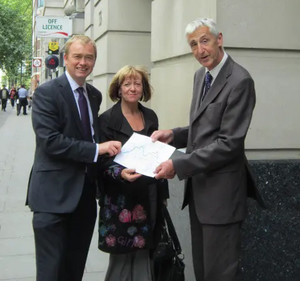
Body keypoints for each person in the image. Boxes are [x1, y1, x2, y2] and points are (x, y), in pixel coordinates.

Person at [152, 18, 265, 281]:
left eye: (205, 41)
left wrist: (178, 165)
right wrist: (174, 135)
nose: (200, 50)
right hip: (200, 192)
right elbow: (203, 128)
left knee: (220, 273)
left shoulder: (240, 80)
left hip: (222, 197)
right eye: (193, 44)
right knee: (203, 271)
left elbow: (229, 144)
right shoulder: (200, 76)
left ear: (219, 39)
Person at [26, 35, 122, 281]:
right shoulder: (47, 92)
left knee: (74, 269)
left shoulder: (94, 95)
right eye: (77, 56)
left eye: (89, 57)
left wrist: (121, 169)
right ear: (65, 59)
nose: (83, 62)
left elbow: (91, 135)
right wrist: (96, 149)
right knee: (51, 272)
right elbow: (50, 141)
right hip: (52, 197)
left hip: (85, 198)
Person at [97, 65, 169, 281]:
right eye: (127, 84)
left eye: (137, 83)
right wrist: (120, 173)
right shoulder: (106, 119)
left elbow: (158, 154)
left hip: (150, 195)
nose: (132, 88)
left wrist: (163, 196)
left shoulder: (150, 116)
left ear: (143, 88)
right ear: (118, 89)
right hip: (120, 200)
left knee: (145, 253)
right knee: (121, 260)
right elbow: (101, 162)